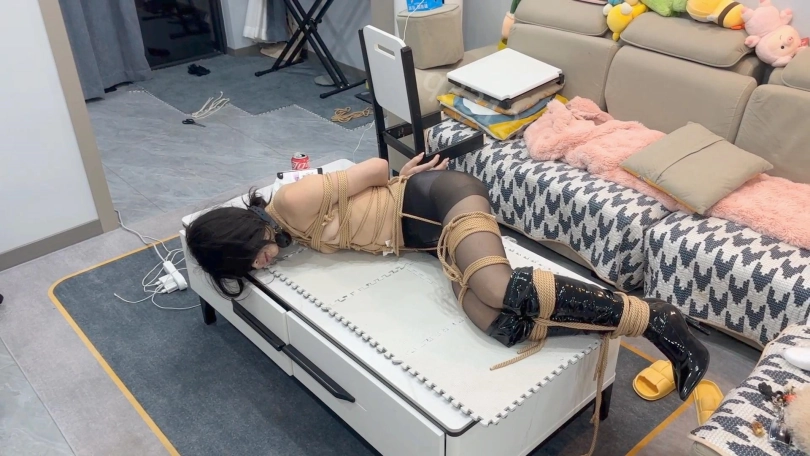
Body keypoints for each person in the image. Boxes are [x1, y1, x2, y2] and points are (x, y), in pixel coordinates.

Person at [186, 154, 709, 401]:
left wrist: (401, 180)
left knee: (495, 287)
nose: (258, 267)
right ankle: (639, 321)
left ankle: (655, 319)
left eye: (248, 260)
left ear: (244, 236)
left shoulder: (292, 201)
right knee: (494, 321)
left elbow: (375, 167)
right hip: (430, 239)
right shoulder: (289, 234)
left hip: (440, 199)